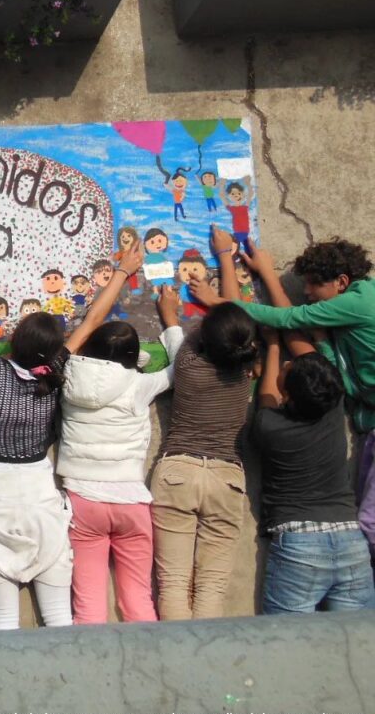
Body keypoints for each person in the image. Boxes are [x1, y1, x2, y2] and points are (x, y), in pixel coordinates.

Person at [0, 243, 145, 630]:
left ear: (15, 340)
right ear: (51, 352)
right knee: (59, 622)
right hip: (43, 510)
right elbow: (91, 321)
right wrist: (121, 271)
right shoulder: (53, 376)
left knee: (3, 625)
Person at [190, 237, 375, 550]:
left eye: (313, 285)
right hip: (369, 427)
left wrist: (219, 302)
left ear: (342, 282)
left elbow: (291, 319)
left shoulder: (360, 301)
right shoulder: (348, 311)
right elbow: (318, 351)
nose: (306, 293)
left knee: (369, 524)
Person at [57, 285, 183, 624]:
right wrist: (171, 322)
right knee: (138, 599)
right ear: (132, 359)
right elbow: (181, 367)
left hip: (83, 499)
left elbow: (94, 370)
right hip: (130, 499)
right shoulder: (139, 385)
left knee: (88, 603)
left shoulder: (67, 377)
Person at [151, 227, 257, 620]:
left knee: (174, 582)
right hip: (227, 475)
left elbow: (186, 332)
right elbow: (236, 323)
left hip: (178, 468)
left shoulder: (189, 365)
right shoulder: (244, 372)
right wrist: (219, 288)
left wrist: (170, 313)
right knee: (212, 584)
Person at [253, 330, 375, 614]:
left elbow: (268, 394)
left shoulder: (269, 426)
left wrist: (272, 345)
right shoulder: (333, 407)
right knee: (354, 646)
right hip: (351, 543)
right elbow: (314, 360)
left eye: (288, 368)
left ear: (290, 396)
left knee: (288, 643)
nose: (286, 364)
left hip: (299, 546)